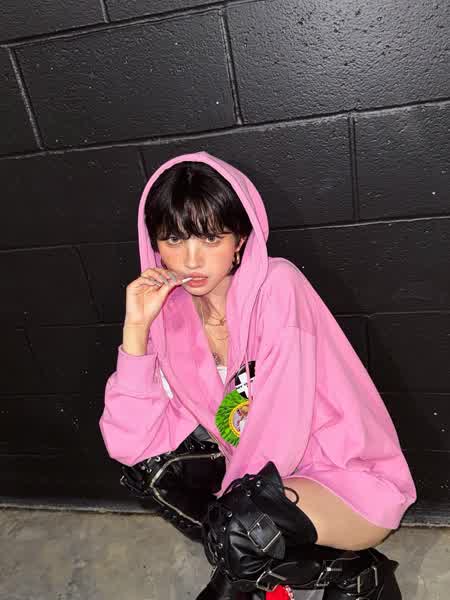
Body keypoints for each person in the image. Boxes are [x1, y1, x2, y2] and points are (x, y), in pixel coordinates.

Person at [99, 151, 417, 599]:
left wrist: (230, 515)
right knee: (151, 473)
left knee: (242, 526)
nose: (190, 259)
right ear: (154, 243)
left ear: (241, 238)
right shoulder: (169, 314)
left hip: (343, 477)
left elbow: (280, 431)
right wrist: (135, 331)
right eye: (173, 238)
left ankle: (358, 576)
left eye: (211, 238)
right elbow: (130, 442)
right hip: (264, 479)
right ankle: (278, 563)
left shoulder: (277, 286)